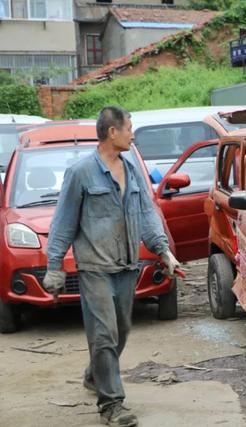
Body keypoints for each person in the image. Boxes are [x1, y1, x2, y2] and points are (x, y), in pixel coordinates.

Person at [43, 106, 180, 426]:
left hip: (127, 267)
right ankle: (111, 404)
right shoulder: (81, 173)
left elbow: (147, 213)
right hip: (95, 269)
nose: (133, 134)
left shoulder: (131, 169)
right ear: (112, 132)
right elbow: (63, 221)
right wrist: (54, 266)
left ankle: (95, 374)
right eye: (129, 128)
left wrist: (164, 252)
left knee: (121, 330)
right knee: (103, 334)